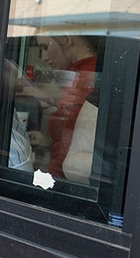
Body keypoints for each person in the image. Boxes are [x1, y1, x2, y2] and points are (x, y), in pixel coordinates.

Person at [23, 35, 98, 178]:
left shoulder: (88, 75)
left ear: (66, 39)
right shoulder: (75, 74)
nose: (44, 57)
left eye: (46, 47)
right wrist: (48, 141)